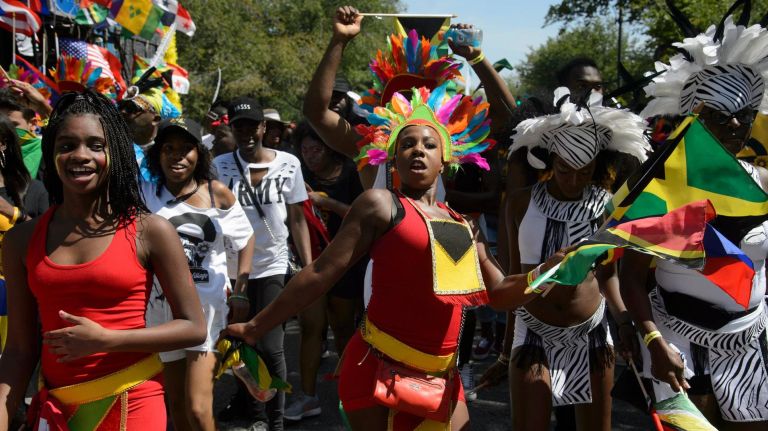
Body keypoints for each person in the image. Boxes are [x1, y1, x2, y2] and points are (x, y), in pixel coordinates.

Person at [0, 90, 206, 430]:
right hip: (57, 409)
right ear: (51, 154)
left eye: (96, 146)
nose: (81, 155)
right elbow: (19, 350)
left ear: (116, 155)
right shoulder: (21, 240)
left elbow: (194, 327)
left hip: (133, 400)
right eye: (67, 145)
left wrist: (108, 339)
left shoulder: (150, 231)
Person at [621, 10, 768, 430]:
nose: (735, 126)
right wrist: (652, 340)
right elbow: (632, 276)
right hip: (677, 343)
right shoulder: (659, 187)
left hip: (749, 341)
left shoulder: (763, 183)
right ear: (693, 118)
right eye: (719, 116)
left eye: (744, 114)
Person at [497, 87, 650, 431]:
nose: (574, 180)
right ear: (550, 161)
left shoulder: (606, 205)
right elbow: (511, 279)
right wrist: (506, 350)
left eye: (585, 171)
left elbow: (607, 275)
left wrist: (624, 321)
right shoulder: (521, 203)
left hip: (592, 334)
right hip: (533, 332)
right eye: (565, 170)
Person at [143, 117, 255, 431]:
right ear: (158, 154)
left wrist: (241, 288)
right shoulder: (145, 194)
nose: (178, 156)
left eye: (186, 148)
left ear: (199, 153)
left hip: (206, 310)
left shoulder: (216, 193)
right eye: (169, 148)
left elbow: (245, 239)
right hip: (161, 311)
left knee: (197, 406)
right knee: (176, 404)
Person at [213, 97, 312, 430]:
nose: (246, 132)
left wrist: (309, 268)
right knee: (239, 343)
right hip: (232, 268)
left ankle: (277, 419)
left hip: (272, 263)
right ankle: (256, 416)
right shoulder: (219, 165)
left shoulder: (289, 164)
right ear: (232, 129)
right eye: (238, 126)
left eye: (252, 125)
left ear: (263, 127)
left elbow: (298, 219)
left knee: (271, 346)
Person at [284, 122, 365, 421]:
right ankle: (307, 397)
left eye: (315, 149)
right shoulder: (298, 175)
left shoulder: (352, 173)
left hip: (347, 262)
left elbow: (364, 214)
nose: (309, 156)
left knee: (344, 329)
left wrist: (324, 201)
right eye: (304, 150)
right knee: (311, 329)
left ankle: (351, 395)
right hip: (311, 263)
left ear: (330, 148)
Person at [0, 116, 48, 352]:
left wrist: (14, 213)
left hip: (17, 306)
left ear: (3, 144)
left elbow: (49, 240)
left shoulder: (33, 189)